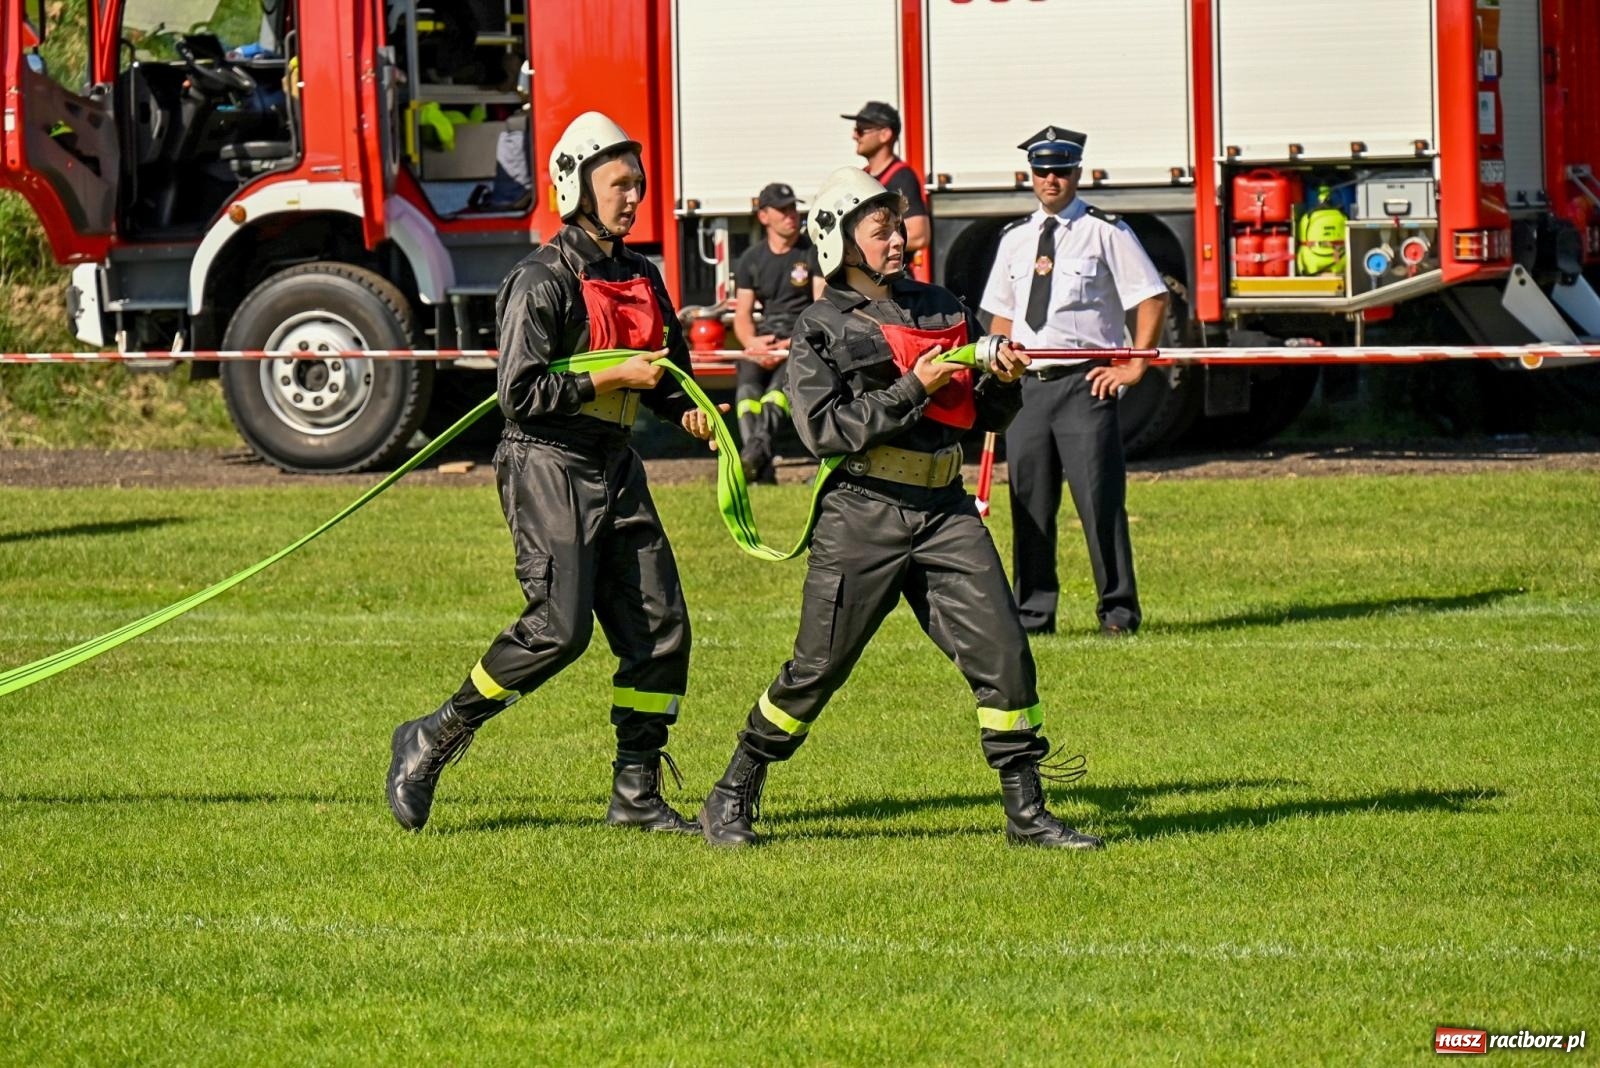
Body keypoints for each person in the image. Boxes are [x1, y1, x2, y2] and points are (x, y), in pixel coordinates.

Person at [697, 167, 1103, 852]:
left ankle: (1027, 813)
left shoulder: (941, 305)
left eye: (898, 227)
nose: (898, 239)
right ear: (841, 240)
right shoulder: (819, 327)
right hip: (862, 514)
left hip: (945, 510)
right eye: (881, 230)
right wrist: (914, 386)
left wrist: (1003, 383)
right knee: (816, 669)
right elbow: (825, 431)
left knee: (1004, 651)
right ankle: (733, 791)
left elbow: (982, 414)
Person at [386, 111, 721, 833]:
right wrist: (611, 379)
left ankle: (635, 794)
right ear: (576, 187)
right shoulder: (540, 279)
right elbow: (520, 394)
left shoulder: (643, 276)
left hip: (616, 463)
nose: (633, 197)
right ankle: (432, 737)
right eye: (619, 184)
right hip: (546, 461)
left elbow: (667, 376)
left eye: (638, 184)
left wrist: (691, 412)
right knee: (557, 631)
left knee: (662, 630)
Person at [980, 126, 1169, 637]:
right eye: (1042, 171)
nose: (1051, 179)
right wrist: (999, 365)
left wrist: (1134, 365)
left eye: (1061, 170)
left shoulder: (1105, 231)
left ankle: (1118, 613)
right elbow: (1001, 313)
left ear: (1077, 173)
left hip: (1084, 384)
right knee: (1029, 506)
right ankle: (1032, 616)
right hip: (1028, 388)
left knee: (1099, 503)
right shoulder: (1015, 238)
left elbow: (1151, 296)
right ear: (1030, 175)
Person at [731, 181, 823, 483]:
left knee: (776, 395)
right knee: (747, 393)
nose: (791, 215)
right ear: (764, 216)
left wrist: (795, 342)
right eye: (782, 210)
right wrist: (752, 343)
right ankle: (758, 462)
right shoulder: (751, 259)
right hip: (766, 338)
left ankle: (753, 459)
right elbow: (743, 315)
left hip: (801, 339)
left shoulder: (813, 253)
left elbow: (822, 307)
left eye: (793, 208)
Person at [841, 101, 930, 262]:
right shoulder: (863, 177)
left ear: (885, 134)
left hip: (891, 274)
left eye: (861, 130)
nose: (854, 136)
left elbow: (919, 236)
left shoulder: (902, 177)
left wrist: (870, 241)